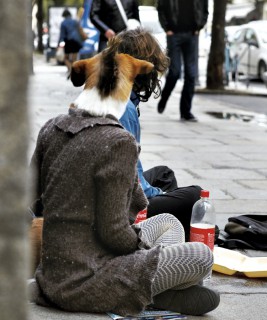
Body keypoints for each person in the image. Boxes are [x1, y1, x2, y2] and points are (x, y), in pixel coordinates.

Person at [29, 29, 220, 316]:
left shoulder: (51, 127)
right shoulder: (118, 142)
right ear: (131, 82)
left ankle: (149, 290)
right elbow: (114, 234)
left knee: (168, 222)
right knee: (201, 256)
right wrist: (142, 247)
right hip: (89, 277)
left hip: (53, 274)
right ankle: (141, 292)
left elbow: (27, 196)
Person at [120, 93, 202, 240]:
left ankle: (170, 225)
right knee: (196, 196)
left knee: (164, 174)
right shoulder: (125, 108)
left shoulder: (118, 101)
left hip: (117, 190)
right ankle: (162, 230)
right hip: (120, 206)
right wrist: (161, 194)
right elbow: (133, 180)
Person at [156, 0, 209, 122]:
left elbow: (205, 10)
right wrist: (166, 28)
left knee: (191, 75)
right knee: (174, 72)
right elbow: (161, 8)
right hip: (173, 34)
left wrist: (199, 26)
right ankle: (164, 97)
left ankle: (186, 112)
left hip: (192, 34)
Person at [58, 9, 83, 78]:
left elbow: (62, 35)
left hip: (68, 42)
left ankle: (71, 70)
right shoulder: (75, 21)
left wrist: (59, 44)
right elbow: (79, 31)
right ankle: (74, 71)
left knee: (65, 58)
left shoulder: (63, 23)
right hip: (76, 41)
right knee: (74, 59)